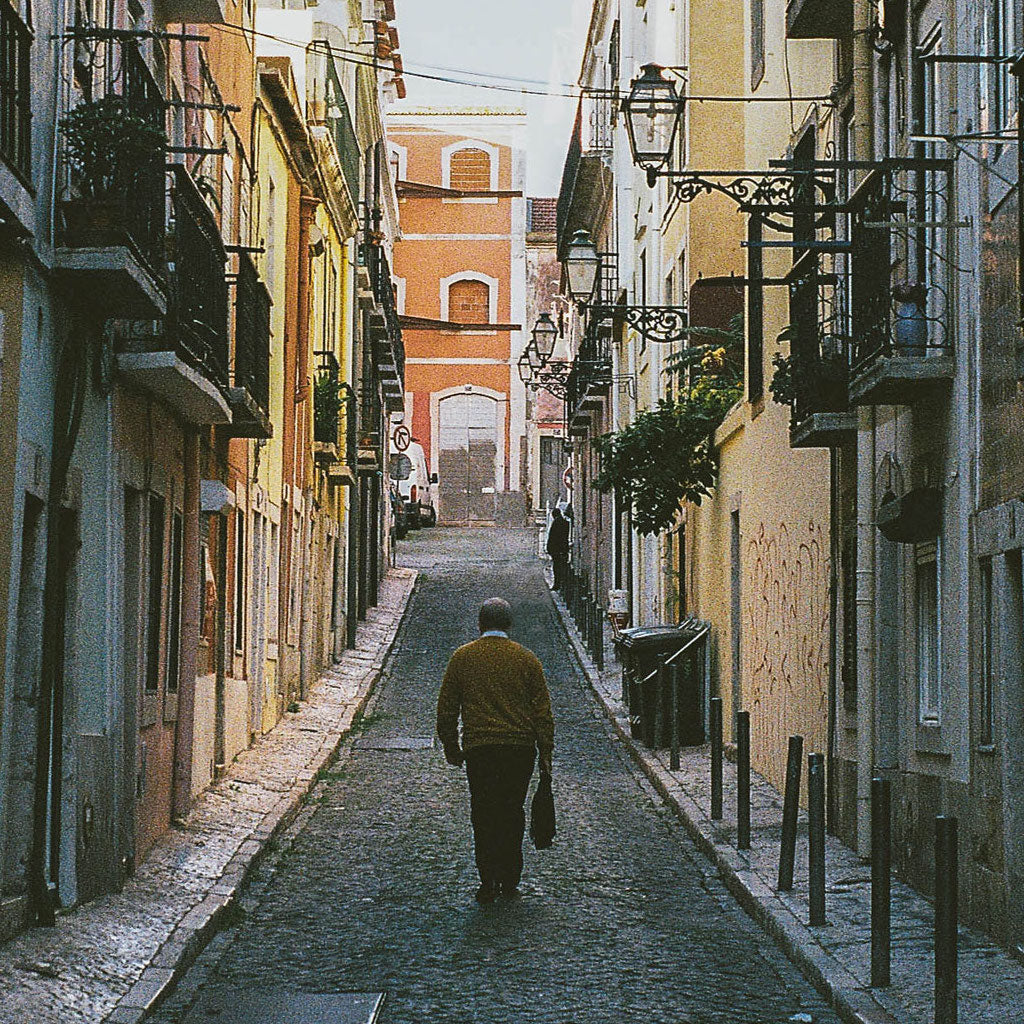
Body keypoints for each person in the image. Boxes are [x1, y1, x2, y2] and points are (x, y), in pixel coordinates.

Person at [437, 598, 554, 904]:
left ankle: (488, 878)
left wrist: (451, 746)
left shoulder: (462, 658)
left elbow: (447, 708)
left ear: (480, 624)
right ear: (508, 625)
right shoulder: (527, 659)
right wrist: (546, 755)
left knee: (484, 812)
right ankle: (510, 877)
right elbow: (542, 712)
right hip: (519, 749)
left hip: (481, 748)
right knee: (512, 810)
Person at [546, 505, 570, 591]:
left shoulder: (556, 523)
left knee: (557, 568)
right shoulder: (565, 522)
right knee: (561, 567)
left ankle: (557, 585)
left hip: (556, 550)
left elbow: (552, 537)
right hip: (562, 549)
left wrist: (548, 548)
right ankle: (560, 585)